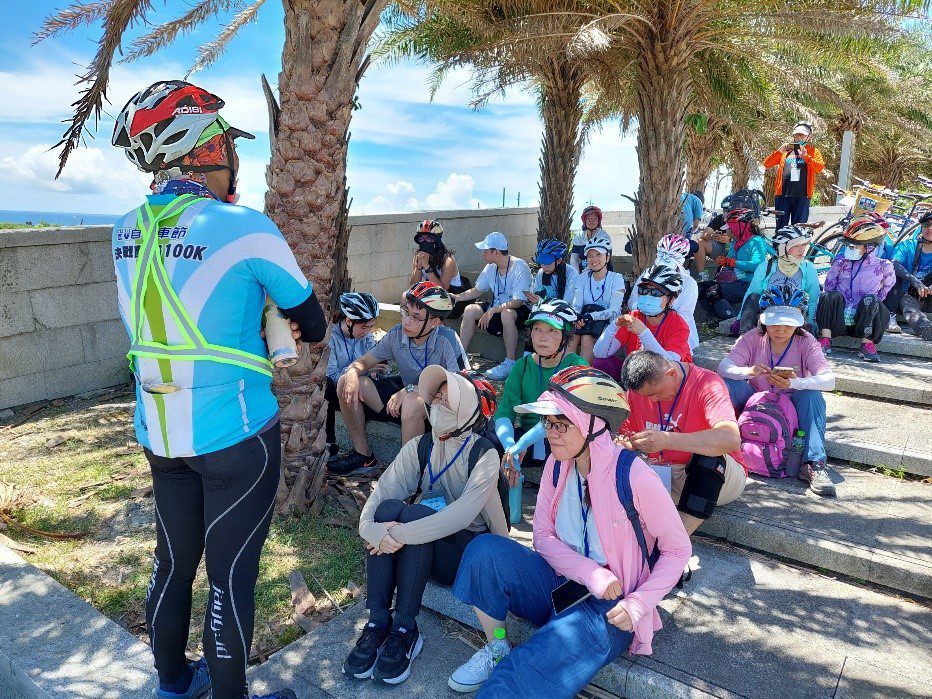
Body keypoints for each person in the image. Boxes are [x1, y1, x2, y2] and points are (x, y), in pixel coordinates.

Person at [111, 80, 326, 699]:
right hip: (236, 434)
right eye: (228, 142)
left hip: (160, 435)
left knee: (173, 562)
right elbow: (310, 323)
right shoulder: (243, 226)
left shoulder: (124, 230)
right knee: (231, 575)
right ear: (203, 149)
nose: (236, 155)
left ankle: (172, 684)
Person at [446, 366, 691, 696]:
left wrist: (639, 604)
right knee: (484, 551)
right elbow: (542, 537)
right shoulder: (557, 463)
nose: (550, 433)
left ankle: (523, 660)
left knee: (520, 675)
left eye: (561, 423)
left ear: (594, 425)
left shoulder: (634, 476)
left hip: (612, 604)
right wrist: (589, 572)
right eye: (548, 423)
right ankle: (498, 644)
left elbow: (678, 550)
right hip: (562, 580)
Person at [347, 366, 507, 685]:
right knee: (392, 508)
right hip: (423, 547)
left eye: (450, 397)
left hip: (463, 557)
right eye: (436, 395)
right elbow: (381, 496)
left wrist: (398, 534)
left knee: (414, 513)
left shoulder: (484, 454)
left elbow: (462, 516)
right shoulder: (421, 446)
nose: (438, 401)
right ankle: (378, 622)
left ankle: (405, 629)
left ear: (470, 409)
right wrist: (372, 530)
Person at [332, 282, 469, 474]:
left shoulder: (448, 340)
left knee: (412, 401)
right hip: (401, 403)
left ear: (435, 322)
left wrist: (411, 390)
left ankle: (407, 474)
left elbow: (463, 385)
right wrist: (353, 373)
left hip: (439, 411)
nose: (406, 321)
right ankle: (363, 456)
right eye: (405, 312)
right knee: (345, 381)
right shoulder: (397, 334)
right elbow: (364, 361)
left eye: (416, 317)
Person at [719, 286, 836, 496]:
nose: (780, 330)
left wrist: (795, 384)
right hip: (756, 401)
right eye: (774, 323)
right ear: (764, 320)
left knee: (812, 395)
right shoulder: (752, 337)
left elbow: (828, 380)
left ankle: (814, 463)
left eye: (788, 325)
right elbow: (724, 367)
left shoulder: (807, 341)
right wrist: (749, 371)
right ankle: (718, 445)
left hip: (792, 405)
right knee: (729, 384)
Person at [619, 350, 746, 536]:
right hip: (663, 475)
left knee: (709, 457)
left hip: (718, 477)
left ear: (671, 374)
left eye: (655, 393)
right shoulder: (639, 391)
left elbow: (730, 439)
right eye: (646, 396)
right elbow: (624, 436)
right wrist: (626, 443)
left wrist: (667, 440)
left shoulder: (707, 384)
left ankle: (675, 539)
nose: (651, 400)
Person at [492, 299, 586, 475]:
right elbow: (505, 410)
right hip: (527, 440)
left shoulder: (576, 366)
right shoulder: (522, 365)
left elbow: (563, 414)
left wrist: (523, 443)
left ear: (565, 337)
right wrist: (510, 445)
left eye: (551, 330)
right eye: (537, 329)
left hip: (561, 438)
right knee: (487, 445)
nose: (543, 337)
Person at [452, 232, 534, 381]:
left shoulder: (519, 266)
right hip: (495, 308)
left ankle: (509, 362)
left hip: (519, 311)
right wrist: (458, 297)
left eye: (485, 250)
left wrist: (494, 310)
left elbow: (518, 301)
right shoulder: (491, 267)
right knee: (470, 310)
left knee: (506, 313)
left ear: (496, 252)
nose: (483, 253)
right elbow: (477, 290)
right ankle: (461, 359)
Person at [593, 265, 693, 381]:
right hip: (639, 374)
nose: (647, 296)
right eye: (643, 291)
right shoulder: (634, 316)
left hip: (672, 380)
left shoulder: (679, 325)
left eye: (655, 293)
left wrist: (643, 332)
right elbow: (599, 353)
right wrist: (614, 325)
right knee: (601, 363)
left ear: (671, 300)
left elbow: (669, 365)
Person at [816, 218, 895, 362]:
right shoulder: (841, 262)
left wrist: (870, 307)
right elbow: (829, 285)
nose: (850, 249)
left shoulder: (883, 265)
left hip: (863, 320)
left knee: (872, 300)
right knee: (829, 296)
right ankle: (825, 339)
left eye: (855, 246)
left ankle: (867, 344)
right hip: (838, 320)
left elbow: (887, 288)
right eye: (849, 245)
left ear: (869, 247)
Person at [325, 292, 388, 460]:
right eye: (364, 327)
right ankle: (329, 441)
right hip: (335, 389)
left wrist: (377, 369)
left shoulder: (366, 336)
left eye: (371, 327)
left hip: (360, 387)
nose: (368, 332)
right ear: (348, 321)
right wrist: (361, 371)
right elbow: (331, 376)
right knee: (326, 386)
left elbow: (375, 367)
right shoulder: (331, 337)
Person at [739, 224, 820, 334]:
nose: (802, 250)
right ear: (782, 248)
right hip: (769, 317)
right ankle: (743, 337)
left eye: (804, 245)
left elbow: (813, 298)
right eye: (796, 246)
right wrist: (740, 319)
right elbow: (752, 294)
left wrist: (809, 323)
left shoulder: (808, 267)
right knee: (753, 297)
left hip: (794, 319)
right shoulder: (765, 267)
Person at [628, 234, 699, 349]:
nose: (665, 259)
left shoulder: (689, 283)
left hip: (676, 334)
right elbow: (633, 302)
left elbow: (685, 316)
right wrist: (645, 305)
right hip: (646, 327)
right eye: (662, 254)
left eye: (670, 256)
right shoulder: (647, 274)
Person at [700, 208, 770, 321]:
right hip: (734, 281)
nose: (729, 231)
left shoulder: (757, 241)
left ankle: (733, 321)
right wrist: (723, 263)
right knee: (701, 288)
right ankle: (720, 317)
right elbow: (730, 261)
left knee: (713, 292)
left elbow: (757, 265)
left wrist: (732, 262)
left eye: (731, 227)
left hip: (748, 283)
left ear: (741, 226)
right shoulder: (736, 241)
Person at [570, 233, 626, 363]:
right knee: (572, 336)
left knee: (587, 337)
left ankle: (583, 376)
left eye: (598, 254)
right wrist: (577, 317)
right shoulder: (582, 278)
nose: (594, 259)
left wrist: (591, 317)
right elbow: (576, 305)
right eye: (590, 255)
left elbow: (614, 310)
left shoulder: (616, 278)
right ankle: (563, 376)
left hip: (608, 322)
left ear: (608, 257)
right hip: (585, 320)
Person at [763, 121, 825, 230]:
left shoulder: (814, 152)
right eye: (797, 134)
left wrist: (806, 157)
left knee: (799, 230)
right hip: (783, 196)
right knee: (781, 230)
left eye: (803, 135)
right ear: (793, 135)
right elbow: (767, 164)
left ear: (809, 137)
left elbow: (819, 168)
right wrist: (779, 151)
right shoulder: (786, 151)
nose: (799, 137)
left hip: (802, 196)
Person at [408, 219, 470, 318]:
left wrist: (427, 267)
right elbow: (412, 285)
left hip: (452, 299)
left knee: (426, 308)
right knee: (405, 297)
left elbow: (442, 289)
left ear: (436, 240)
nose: (424, 242)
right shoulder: (418, 256)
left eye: (428, 239)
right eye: (421, 239)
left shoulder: (447, 260)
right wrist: (419, 267)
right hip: (430, 296)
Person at [885, 212, 932, 340]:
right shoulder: (908, 245)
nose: (930, 228)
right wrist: (916, 283)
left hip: (929, 297)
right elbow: (894, 263)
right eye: (927, 224)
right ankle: (924, 327)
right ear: (921, 227)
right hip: (905, 295)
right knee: (895, 271)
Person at [524, 238, 579, 305]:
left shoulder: (571, 273)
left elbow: (567, 302)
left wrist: (543, 302)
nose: (544, 267)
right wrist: (534, 299)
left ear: (559, 260)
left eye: (548, 263)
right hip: (545, 310)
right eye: (542, 263)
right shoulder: (541, 272)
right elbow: (537, 291)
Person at [570, 204, 613, 272]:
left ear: (598, 221)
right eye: (588, 218)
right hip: (582, 272)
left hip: (602, 272)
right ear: (584, 221)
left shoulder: (604, 236)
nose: (591, 220)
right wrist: (577, 273)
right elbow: (573, 259)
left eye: (594, 218)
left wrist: (585, 272)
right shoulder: (579, 238)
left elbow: (606, 258)